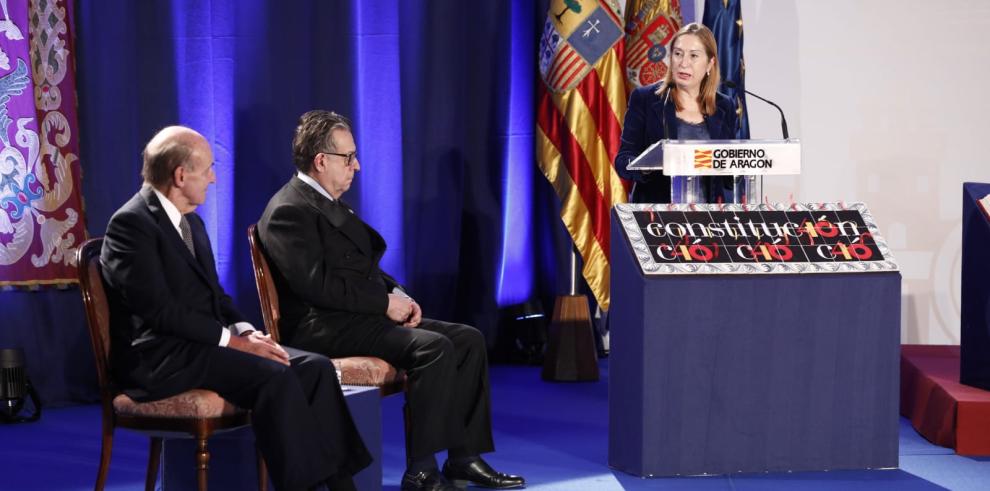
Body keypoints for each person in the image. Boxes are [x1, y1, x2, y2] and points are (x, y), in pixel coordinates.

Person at [257, 111, 526, 491]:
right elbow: (318, 287)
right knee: (432, 348)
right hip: (321, 326)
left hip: (354, 315)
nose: (357, 166)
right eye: (348, 158)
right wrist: (383, 305)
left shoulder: (327, 202)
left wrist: (397, 293)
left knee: (467, 339)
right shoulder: (289, 210)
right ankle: (421, 470)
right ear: (321, 161)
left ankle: (463, 457)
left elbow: (361, 268)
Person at [100, 126, 371, 491]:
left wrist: (247, 331)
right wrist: (235, 344)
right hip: (159, 358)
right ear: (181, 175)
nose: (213, 178)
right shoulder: (131, 224)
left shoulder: (191, 222)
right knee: (272, 375)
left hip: (199, 346)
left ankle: (341, 486)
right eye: (208, 169)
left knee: (313, 367)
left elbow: (216, 296)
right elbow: (160, 313)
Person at [614, 22, 740, 204]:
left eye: (694, 56)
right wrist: (648, 165)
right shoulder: (646, 99)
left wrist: (742, 166)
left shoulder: (723, 106)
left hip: (707, 220)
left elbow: (729, 173)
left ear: (710, 64)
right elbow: (623, 161)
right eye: (678, 54)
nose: (683, 63)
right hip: (656, 219)